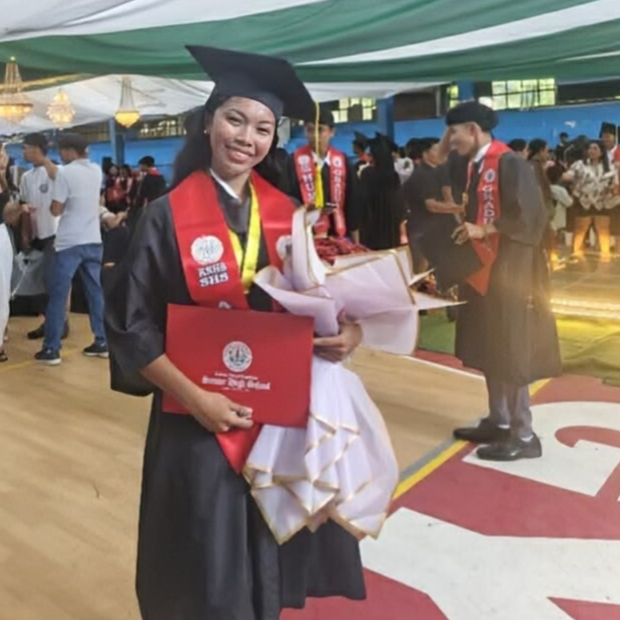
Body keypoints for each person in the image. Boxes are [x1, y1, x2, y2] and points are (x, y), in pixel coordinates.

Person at [105, 45, 366, 620]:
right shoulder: (165, 214)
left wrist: (347, 334)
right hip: (195, 420)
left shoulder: (289, 212)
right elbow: (130, 324)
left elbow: (317, 302)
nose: (247, 137)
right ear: (208, 122)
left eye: (263, 128)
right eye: (235, 119)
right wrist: (197, 400)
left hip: (274, 419)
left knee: (265, 548)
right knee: (204, 557)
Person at [444, 102, 561, 461]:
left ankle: (524, 435)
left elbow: (531, 217)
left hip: (511, 271)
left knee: (511, 346)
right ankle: (499, 419)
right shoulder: (475, 166)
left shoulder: (510, 163)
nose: (451, 140)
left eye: (454, 132)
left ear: (473, 130)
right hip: (484, 270)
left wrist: (485, 229)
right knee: (489, 343)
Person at [35, 133, 108, 365]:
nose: (60, 154)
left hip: (68, 242)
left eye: (61, 150)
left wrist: (53, 206)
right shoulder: (96, 170)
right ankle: (102, 341)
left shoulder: (65, 173)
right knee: (95, 293)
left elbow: (56, 209)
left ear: (69, 151)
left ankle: (51, 349)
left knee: (58, 295)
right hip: (93, 239)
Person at [290, 104, 362, 242]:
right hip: (306, 239)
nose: (314, 136)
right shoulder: (293, 162)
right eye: (310, 130)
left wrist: (356, 243)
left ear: (332, 132)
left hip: (339, 237)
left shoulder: (343, 162)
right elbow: (288, 202)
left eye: (320, 130)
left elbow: (353, 204)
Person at [564, 140, 617, 263]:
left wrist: (612, 189)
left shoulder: (609, 166)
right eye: (590, 148)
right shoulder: (580, 164)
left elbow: (614, 183)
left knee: (603, 230)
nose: (591, 151)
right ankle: (576, 254)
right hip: (583, 201)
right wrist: (567, 177)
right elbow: (569, 174)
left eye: (595, 148)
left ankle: (605, 256)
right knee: (580, 229)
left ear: (601, 152)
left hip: (602, 201)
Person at [359, 133, 406, 250]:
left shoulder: (367, 173)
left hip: (372, 222)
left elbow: (362, 199)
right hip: (392, 223)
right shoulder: (393, 175)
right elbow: (399, 202)